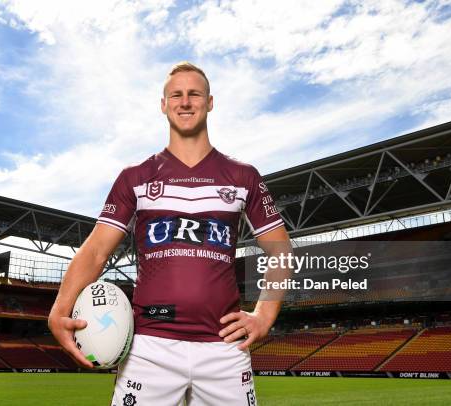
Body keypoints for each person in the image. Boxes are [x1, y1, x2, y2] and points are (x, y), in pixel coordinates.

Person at [49, 62, 291, 405]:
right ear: (163, 104)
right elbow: (96, 251)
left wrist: (265, 314)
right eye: (176, 94)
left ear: (210, 102)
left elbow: (281, 251)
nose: (185, 101)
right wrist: (60, 307)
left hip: (224, 347)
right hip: (148, 347)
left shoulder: (243, 176)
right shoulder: (134, 177)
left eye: (195, 94)